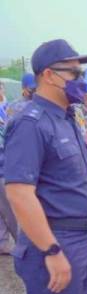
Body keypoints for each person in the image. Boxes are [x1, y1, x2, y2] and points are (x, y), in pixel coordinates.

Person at [4, 39, 87, 294]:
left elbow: (69, 183)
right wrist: (51, 250)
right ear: (49, 75)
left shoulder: (66, 118)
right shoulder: (31, 123)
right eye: (74, 71)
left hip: (80, 239)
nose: (80, 78)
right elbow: (18, 193)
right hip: (55, 244)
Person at [0, 73, 35, 255]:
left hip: (13, 165)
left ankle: (7, 243)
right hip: (14, 167)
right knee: (14, 211)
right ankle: (23, 247)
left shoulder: (11, 107)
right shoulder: (19, 107)